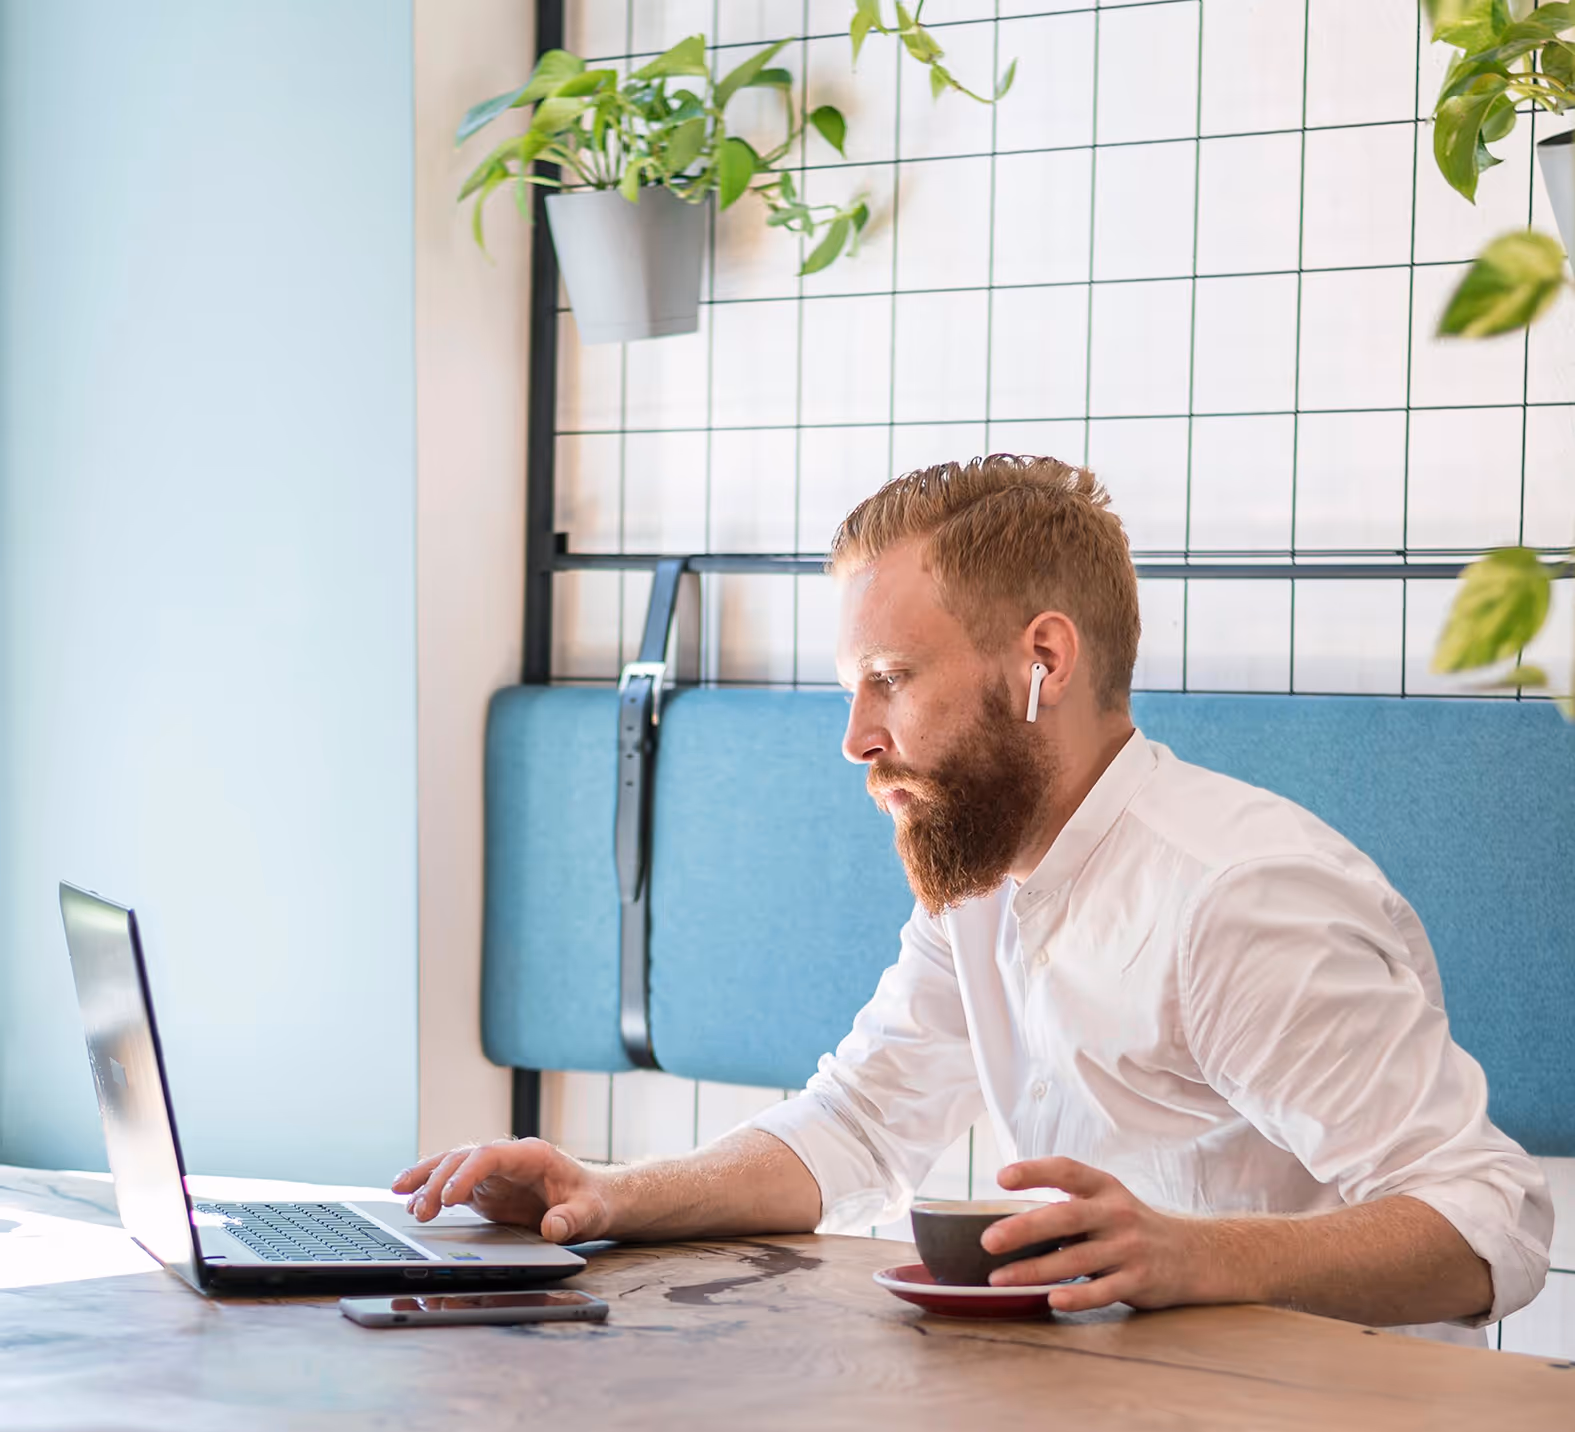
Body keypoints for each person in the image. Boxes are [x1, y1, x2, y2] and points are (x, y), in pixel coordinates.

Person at [396, 455, 1551, 1343]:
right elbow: (854, 1127)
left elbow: (1487, 1223)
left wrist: (1195, 1255)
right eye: (851, 690)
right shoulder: (985, 882)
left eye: (890, 680)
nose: (857, 739)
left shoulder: (1239, 899)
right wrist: (605, 1196)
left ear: (1043, 660)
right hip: (1124, 1420)